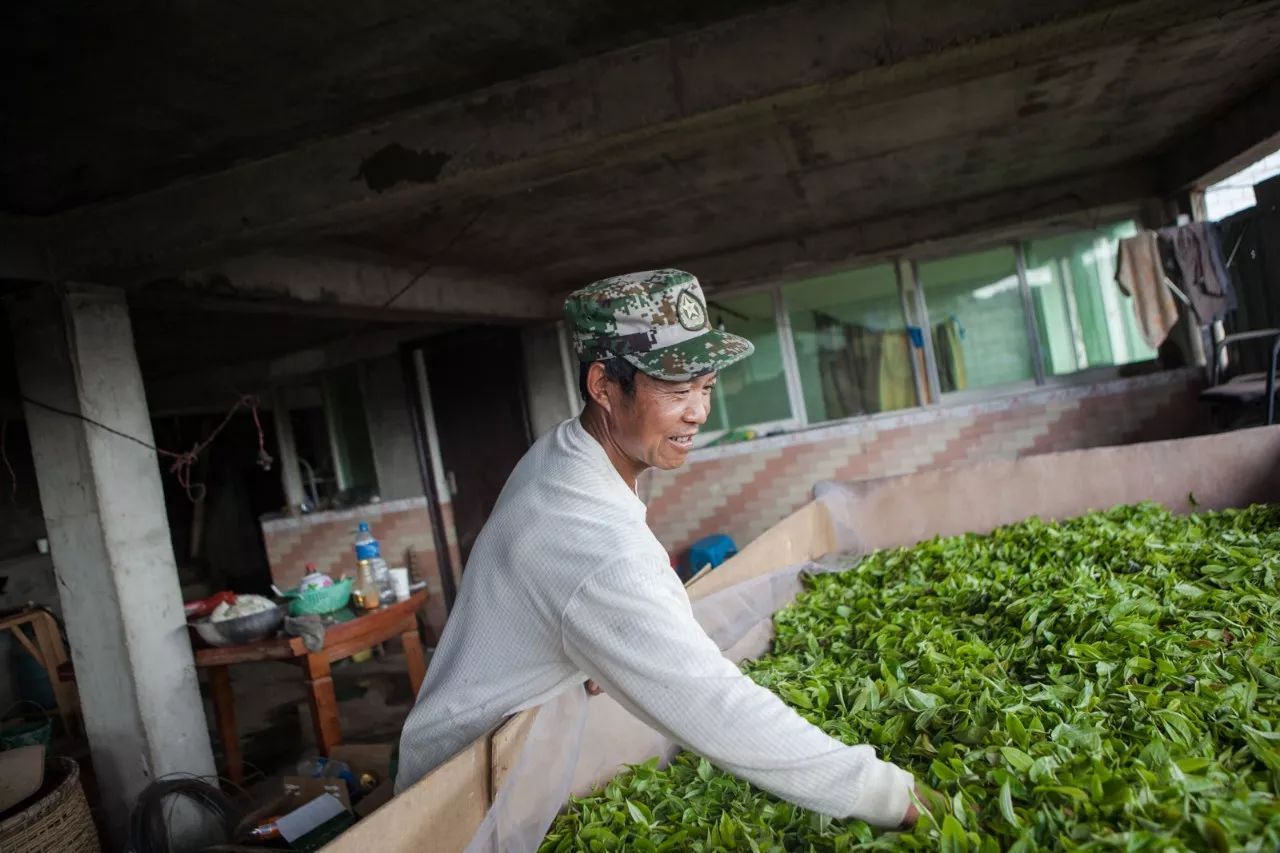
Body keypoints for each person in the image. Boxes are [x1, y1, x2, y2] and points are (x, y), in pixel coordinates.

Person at [395, 269, 920, 827]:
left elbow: (554, 599)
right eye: (675, 390)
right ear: (603, 386)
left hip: (500, 756)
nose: (697, 412)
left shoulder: (564, 451)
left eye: (706, 387)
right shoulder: (591, 538)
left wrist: (587, 646)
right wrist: (892, 798)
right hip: (454, 803)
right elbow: (713, 705)